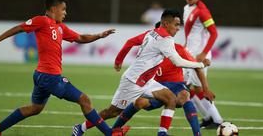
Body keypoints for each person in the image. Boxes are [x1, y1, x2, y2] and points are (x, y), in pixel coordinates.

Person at [0, 0, 128, 136]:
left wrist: (99, 35)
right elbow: (20, 27)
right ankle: (109, 133)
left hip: (41, 75)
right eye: (63, 9)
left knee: (35, 108)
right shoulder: (42, 21)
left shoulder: (60, 27)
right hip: (50, 76)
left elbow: (80, 37)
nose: (65, 13)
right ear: (53, 9)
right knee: (84, 100)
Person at [72, 9, 208, 136]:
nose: (178, 28)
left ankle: (162, 133)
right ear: (166, 23)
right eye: (176, 24)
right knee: (112, 112)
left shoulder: (151, 32)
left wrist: (119, 60)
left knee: (170, 98)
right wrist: (200, 64)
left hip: (147, 81)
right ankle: (81, 128)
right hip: (133, 82)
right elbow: (177, 62)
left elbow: (130, 41)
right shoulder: (165, 40)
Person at [110, 23, 215, 136]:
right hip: (155, 86)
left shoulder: (179, 49)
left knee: (184, 95)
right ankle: (114, 129)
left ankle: (195, 134)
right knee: (139, 102)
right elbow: (131, 44)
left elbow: (197, 68)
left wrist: (206, 88)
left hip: (176, 86)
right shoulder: (150, 50)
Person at [182, 0, 223, 128]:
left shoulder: (202, 11)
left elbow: (214, 33)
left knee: (198, 89)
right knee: (185, 88)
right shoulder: (187, 8)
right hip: (189, 54)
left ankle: (218, 120)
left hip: (200, 56)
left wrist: (203, 53)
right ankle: (207, 117)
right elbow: (191, 35)